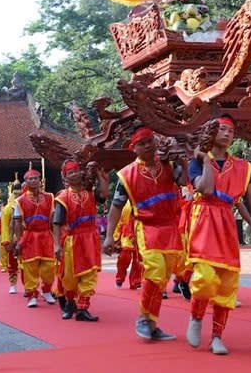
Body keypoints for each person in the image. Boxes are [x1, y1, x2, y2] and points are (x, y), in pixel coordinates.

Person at [186, 115, 251, 355]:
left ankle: (216, 336)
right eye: (221, 129)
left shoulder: (244, 167)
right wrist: (205, 159)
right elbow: (206, 188)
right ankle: (196, 316)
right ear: (211, 133)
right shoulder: (195, 162)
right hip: (204, 220)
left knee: (227, 283)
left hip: (226, 223)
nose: (226, 134)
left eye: (230, 131)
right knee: (204, 279)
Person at [104, 125, 185, 341]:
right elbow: (116, 206)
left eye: (150, 141)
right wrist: (109, 237)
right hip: (147, 228)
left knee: (163, 277)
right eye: (142, 143)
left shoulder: (169, 165)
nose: (148, 146)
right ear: (134, 148)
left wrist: (182, 160)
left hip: (170, 227)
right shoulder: (127, 175)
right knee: (155, 271)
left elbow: (187, 183)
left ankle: (151, 322)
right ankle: (143, 317)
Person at [53, 159, 109, 322]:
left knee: (89, 273)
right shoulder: (63, 197)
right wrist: (57, 245)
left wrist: (102, 178)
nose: (75, 174)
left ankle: (83, 308)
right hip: (72, 240)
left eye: (76, 171)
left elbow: (104, 195)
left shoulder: (90, 192)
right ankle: (70, 302)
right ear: (65, 178)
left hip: (90, 237)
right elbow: (57, 223)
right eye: (70, 172)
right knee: (70, 277)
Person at [12, 168, 57, 308]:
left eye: (35, 178)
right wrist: (19, 241)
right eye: (29, 179)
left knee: (49, 266)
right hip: (30, 236)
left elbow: (53, 220)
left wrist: (56, 239)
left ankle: (47, 290)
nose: (33, 181)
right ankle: (32, 295)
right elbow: (17, 223)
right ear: (26, 182)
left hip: (45, 235)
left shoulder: (50, 197)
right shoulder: (20, 200)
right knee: (30, 267)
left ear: (40, 180)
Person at [114, 201, 143, 290]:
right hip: (127, 233)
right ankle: (120, 277)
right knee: (124, 256)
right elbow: (119, 220)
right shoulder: (124, 202)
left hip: (140, 232)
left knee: (139, 259)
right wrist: (116, 237)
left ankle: (136, 281)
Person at [0, 178, 23, 293]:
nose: (18, 196)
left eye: (20, 193)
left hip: (26, 238)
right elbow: (4, 225)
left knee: (27, 264)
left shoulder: (25, 204)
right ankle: (12, 283)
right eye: (15, 193)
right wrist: (6, 241)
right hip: (12, 238)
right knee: (13, 262)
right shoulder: (8, 208)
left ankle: (28, 286)